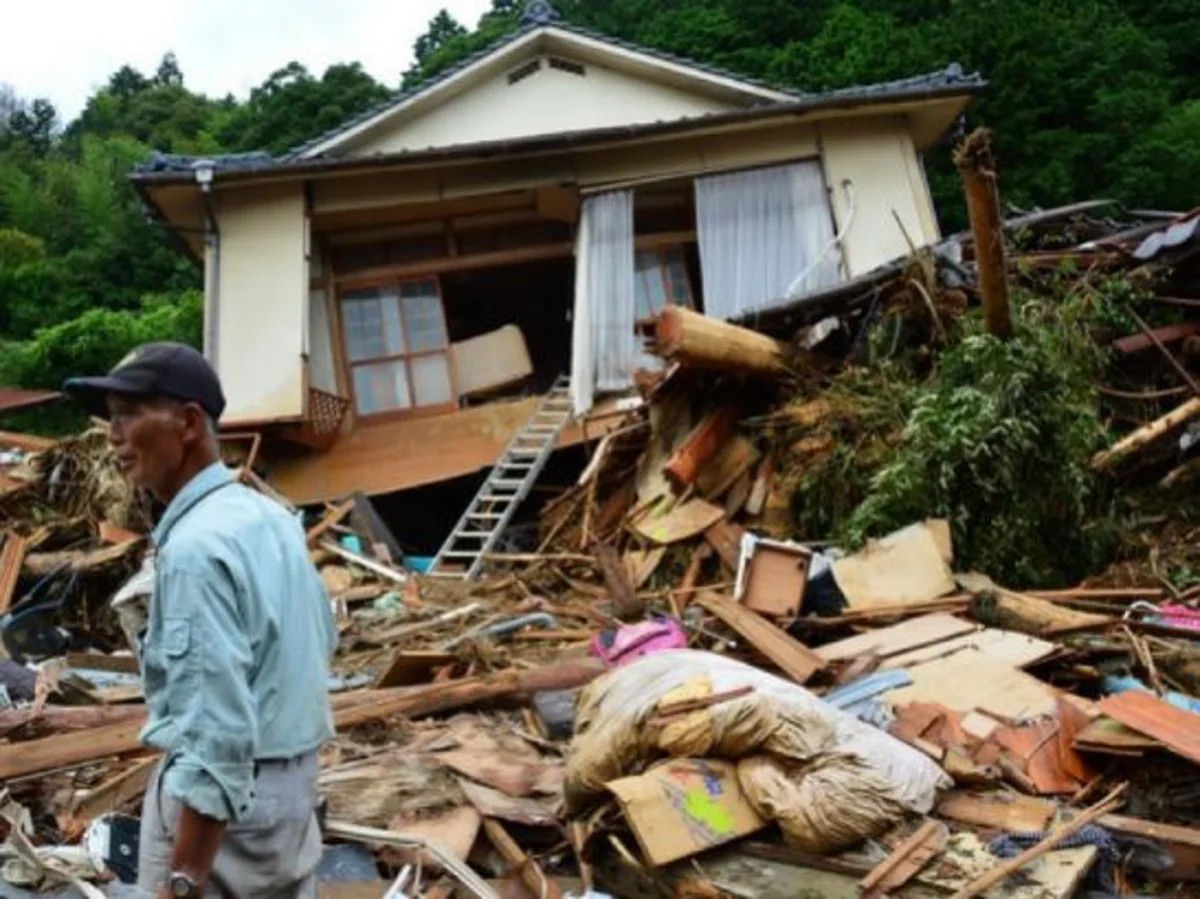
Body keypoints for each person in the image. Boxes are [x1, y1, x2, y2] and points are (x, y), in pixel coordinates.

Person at [63, 343, 338, 899]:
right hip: (292, 793)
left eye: (127, 414)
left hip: (224, 816)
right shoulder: (271, 518)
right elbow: (322, 639)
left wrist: (184, 880)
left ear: (187, 423)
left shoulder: (194, 550)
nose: (112, 435)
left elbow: (217, 733)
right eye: (109, 416)